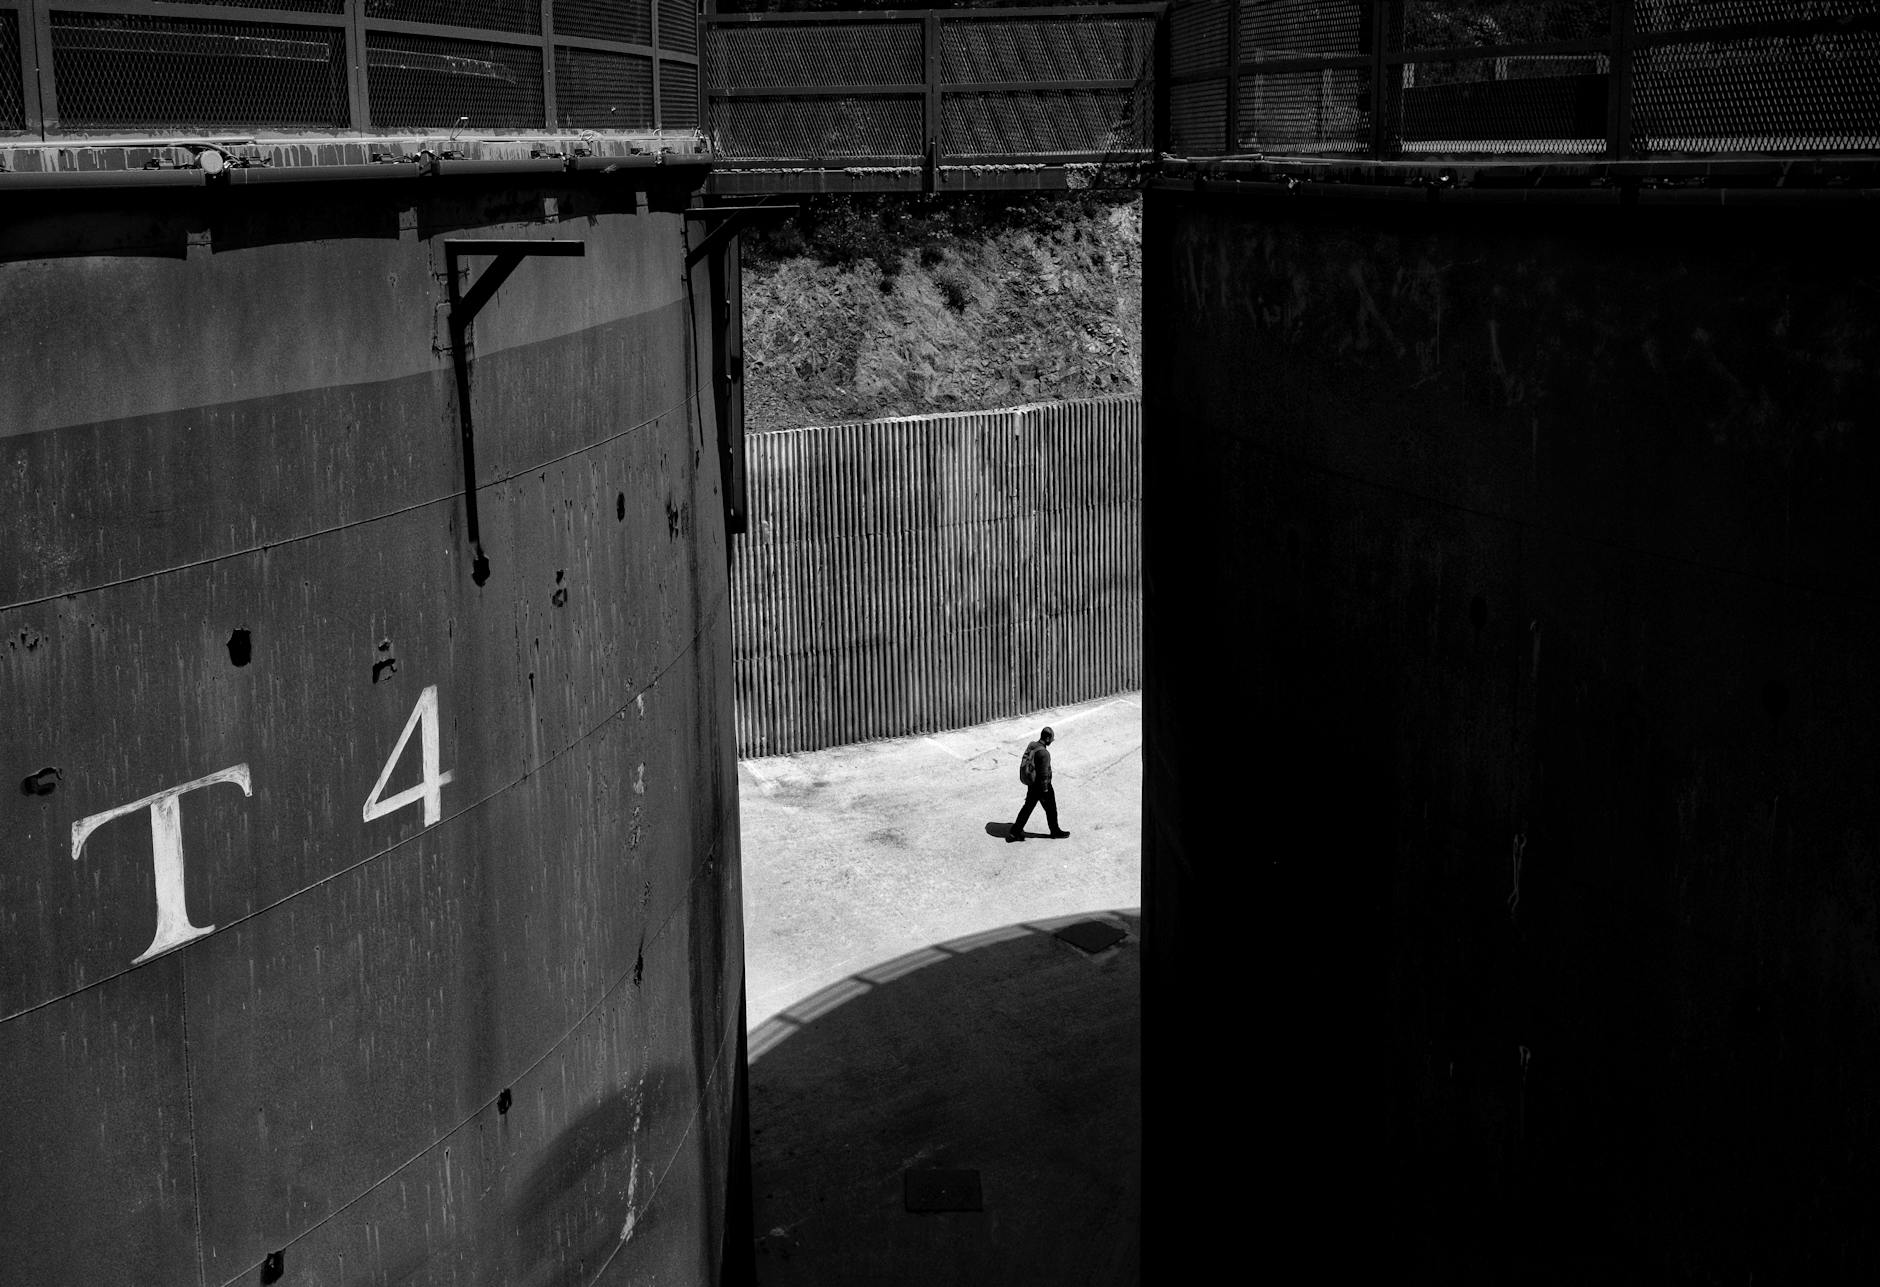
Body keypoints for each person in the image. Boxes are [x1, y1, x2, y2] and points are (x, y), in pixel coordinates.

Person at [1008, 726, 1069, 841]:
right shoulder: (1045, 754)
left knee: (1027, 808)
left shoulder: (1032, 745)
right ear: (1047, 738)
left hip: (1032, 784)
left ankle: (1014, 832)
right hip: (1041, 786)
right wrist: (1045, 790)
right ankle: (1055, 831)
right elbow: (1044, 774)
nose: (1051, 741)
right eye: (1051, 739)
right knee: (1051, 808)